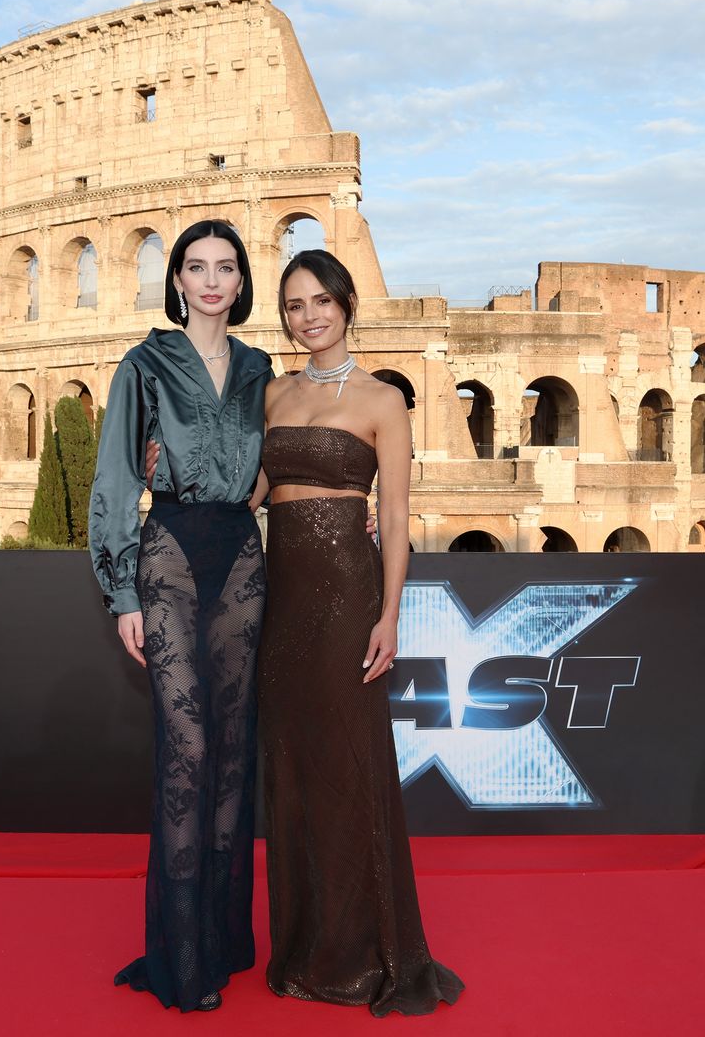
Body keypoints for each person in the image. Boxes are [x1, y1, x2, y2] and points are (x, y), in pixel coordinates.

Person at [257, 250, 464, 1016]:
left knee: (348, 769)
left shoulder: (383, 400)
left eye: (320, 301)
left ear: (346, 305)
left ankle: (363, 951)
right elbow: (248, 491)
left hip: (347, 599)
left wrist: (389, 613)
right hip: (279, 606)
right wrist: (165, 471)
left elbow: (399, 519)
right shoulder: (272, 395)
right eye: (293, 306)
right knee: (292, 775)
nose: (307, 316)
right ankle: (304, 947)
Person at [89, 220, 272, 1013]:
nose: (209, 280)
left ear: (240, 282)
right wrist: (121, 590)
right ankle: (181, 953)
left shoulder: (262, 368)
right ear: (176, 281)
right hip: (167, 550)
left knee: (232, 752)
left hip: (240, 552)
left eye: (224, 267)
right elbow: (113, 478)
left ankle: (224, 943)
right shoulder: (146, 363)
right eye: (194, 267)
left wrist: (351, 508)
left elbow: (284, 461)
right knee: (189, 747)